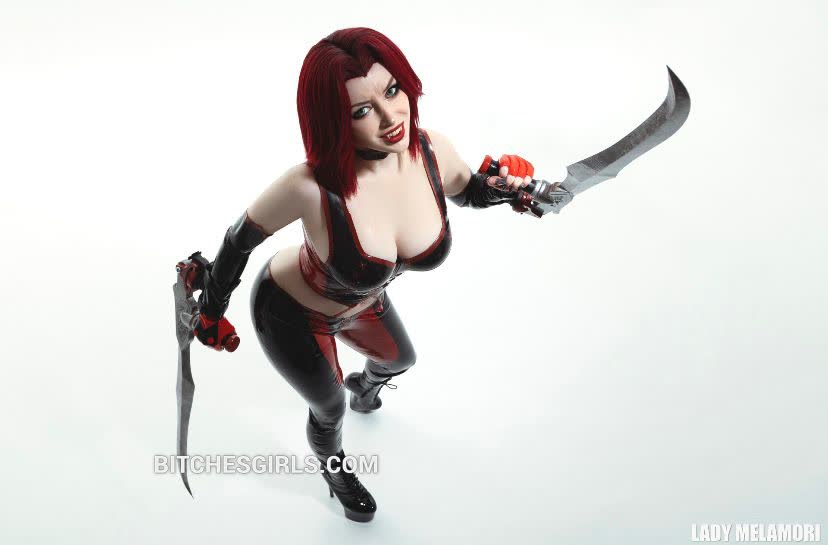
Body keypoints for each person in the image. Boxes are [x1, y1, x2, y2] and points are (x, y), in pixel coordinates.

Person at [193, 27, 536, 522]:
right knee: (328, 410)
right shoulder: (309, 186)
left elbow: (471, 191)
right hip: (291, 314)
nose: (390, 117)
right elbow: (238, 240)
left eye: (392, 91)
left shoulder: (432, 152)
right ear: (333, 120)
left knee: (400, 360)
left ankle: (365, 388)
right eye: (361, 111)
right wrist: (211, 310)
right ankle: (334, 469)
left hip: (365, 301)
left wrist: (511, 188)